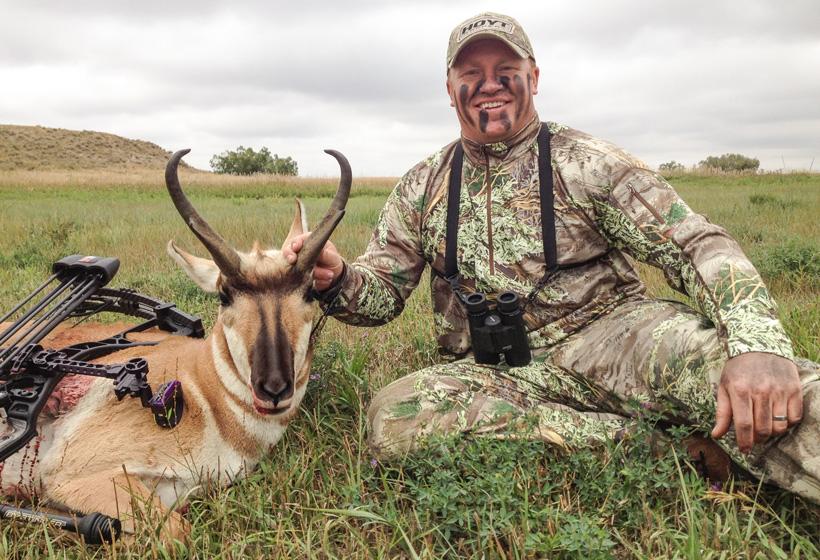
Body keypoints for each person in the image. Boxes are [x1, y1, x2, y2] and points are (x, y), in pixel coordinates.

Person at [285, 12, 819, 503]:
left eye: (505, 69)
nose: (489, 83)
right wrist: (334, 278)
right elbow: (380, 296)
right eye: (472, 71)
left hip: (620, 342)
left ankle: (709, 422)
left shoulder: (585, 162)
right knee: (395, 417)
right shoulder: (422, 186)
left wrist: (756, 345)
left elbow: (697, 245)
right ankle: (669, 451)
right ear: (450, 90)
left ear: (533, 77)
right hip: (498, 374)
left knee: (744, 378)